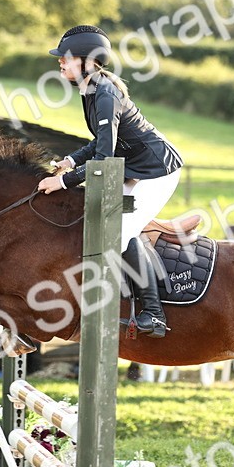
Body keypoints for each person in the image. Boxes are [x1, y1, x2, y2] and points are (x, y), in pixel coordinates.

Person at [37, 24, 184, 338]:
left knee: (121, 231)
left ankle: (154, 315)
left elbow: (104, 157)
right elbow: (100, 143)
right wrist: (71, 161)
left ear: (88, 62)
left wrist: (63, 183)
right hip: (132, 168)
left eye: (66, 57)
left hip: (158, 172)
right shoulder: (91, 89)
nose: (59, 62)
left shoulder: (104, 93)